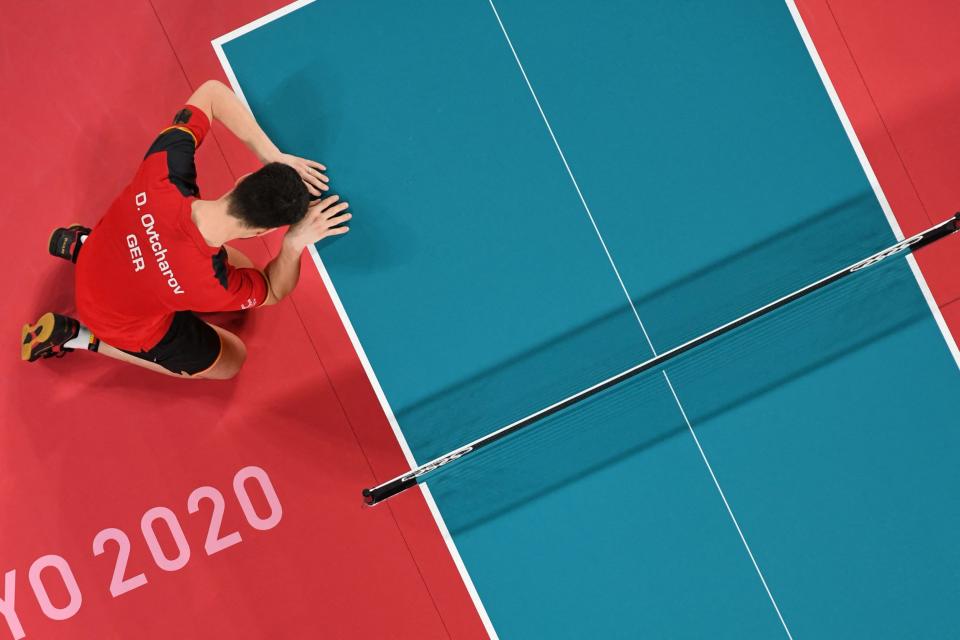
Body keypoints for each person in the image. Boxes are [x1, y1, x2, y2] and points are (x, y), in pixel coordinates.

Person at [20, 80, 351, 379]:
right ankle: (81, 336)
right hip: (117, 324)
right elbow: (273, 290)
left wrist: (273, 156)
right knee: (232, 360)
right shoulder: (213, 285)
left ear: (243, 180)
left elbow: (211, 93)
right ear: (260, 232)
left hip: (102, 257)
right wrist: (293, 244)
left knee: (218, 269)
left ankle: (83, 244)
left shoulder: (163, 172)